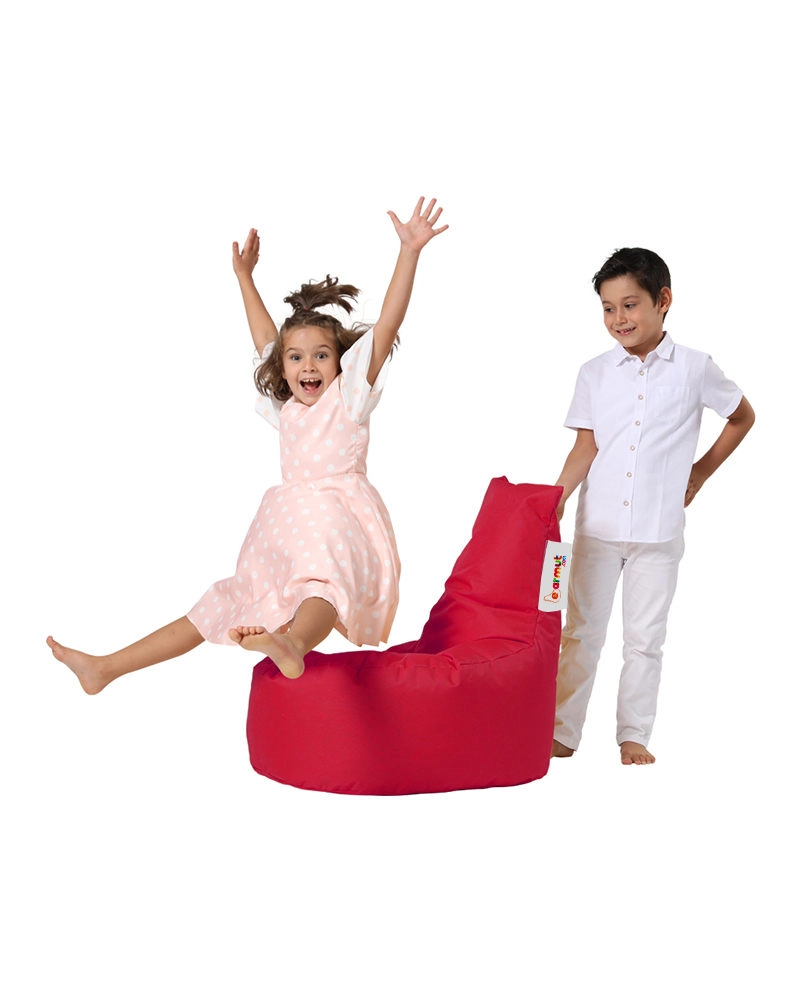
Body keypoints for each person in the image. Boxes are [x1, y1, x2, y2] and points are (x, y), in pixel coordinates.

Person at [47, 196, 448, 689]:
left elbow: (386, 325)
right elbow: (265, 340)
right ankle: (106, 667)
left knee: (323, 585)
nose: (308, 366)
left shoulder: (348, 397)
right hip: (283, 522)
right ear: (284, 367)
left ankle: (293, 643)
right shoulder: (289, 407)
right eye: (296, 358)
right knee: (224, 600)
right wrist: (244, 278)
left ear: (341, 361)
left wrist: (409, 253)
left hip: (334, 513)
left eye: (321, 356)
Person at [551, 247, 755, 765]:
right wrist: (556, 498)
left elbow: (742, 416)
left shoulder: (695, 368)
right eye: (608, 308)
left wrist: (701, 471)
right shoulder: (594, 373)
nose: (618, 319)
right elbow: (585, 447)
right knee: (581, 633)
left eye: (630, 305)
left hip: (658, 530)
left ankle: (633, 734)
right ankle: (562, 730)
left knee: (644, 640)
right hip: (598, 527)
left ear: (663, 300)